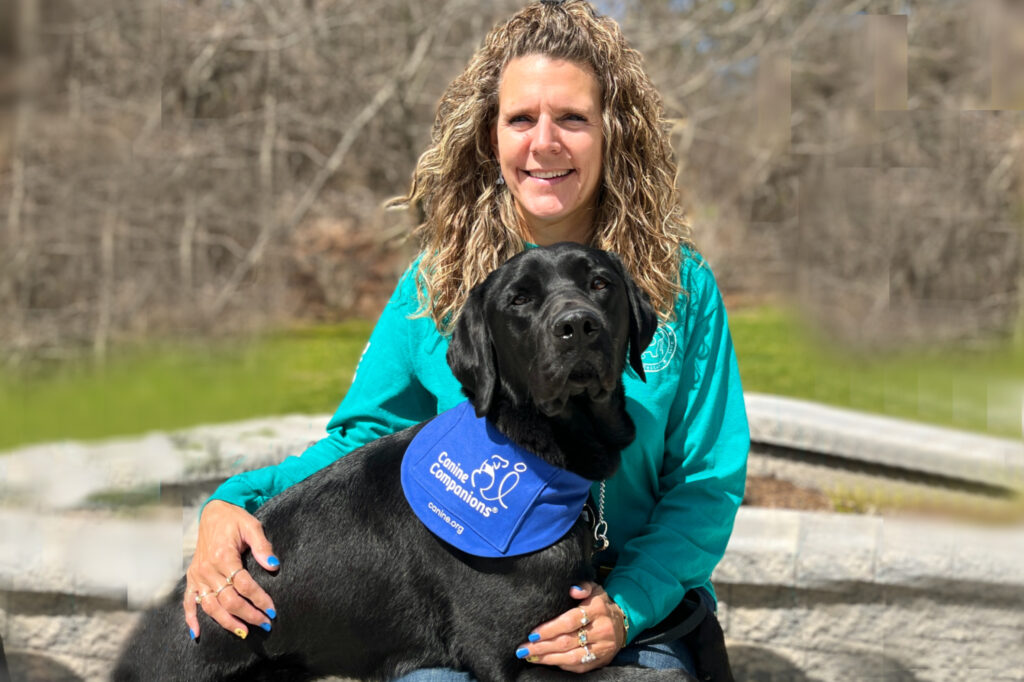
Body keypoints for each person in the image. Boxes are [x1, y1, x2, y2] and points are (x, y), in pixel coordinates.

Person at [183, 0, 749, 678]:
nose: (545, 142)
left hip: (632, 615)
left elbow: (706, 484)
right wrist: (235, 499)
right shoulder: (437, 286)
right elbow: (358, 443)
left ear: (611, 132)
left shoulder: (678, 286)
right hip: (463, 620)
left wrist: (626, 604)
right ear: (490, 137)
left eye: (572, 118)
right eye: (521, 119)